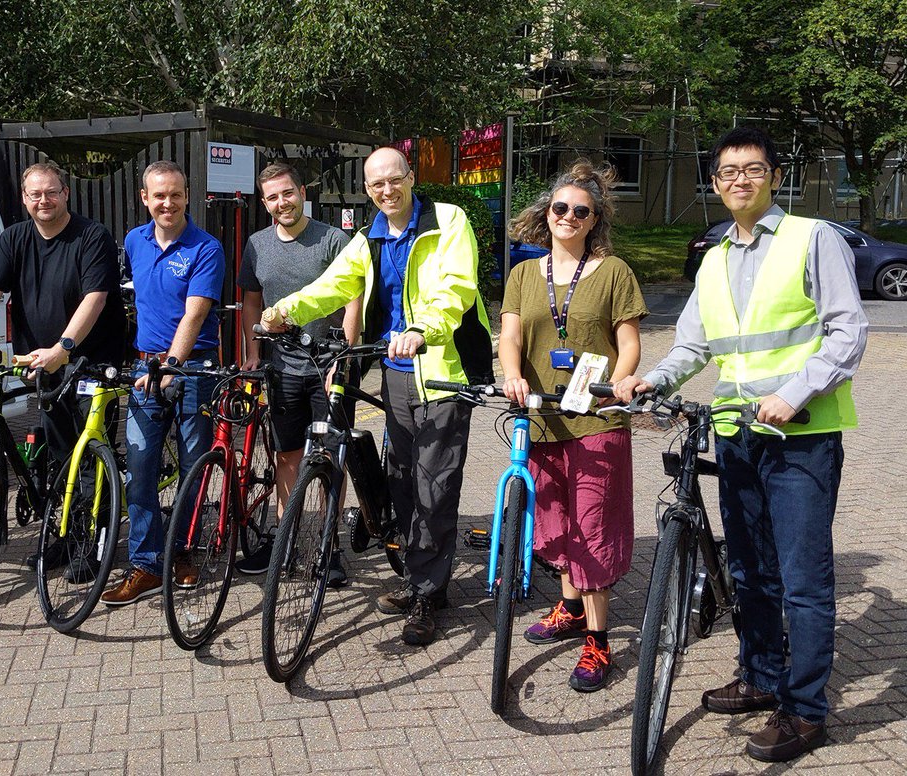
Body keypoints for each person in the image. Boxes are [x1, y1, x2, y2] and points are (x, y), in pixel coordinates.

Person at [615, 127, 867, 762]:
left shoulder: (814, 238)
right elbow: (695, 344)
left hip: (800, 435)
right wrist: (653, 380)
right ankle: (760, 674)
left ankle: (805, 709)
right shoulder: (715, 257)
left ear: (775, 177)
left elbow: (847, 331)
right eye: (728, 172)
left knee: (804, 578)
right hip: (735, 435)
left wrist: (795, 392)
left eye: (753, 169)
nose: (740, 181)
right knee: (750, 570)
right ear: (715, 183)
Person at [263, 147, 495, 646]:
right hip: (394, 373)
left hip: (444, 372)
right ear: (368, 190)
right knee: (403, 482)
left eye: (394, 180)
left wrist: (422, 328)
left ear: (410, 178)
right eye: (376, 185)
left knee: (434, 487)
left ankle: (428, 594)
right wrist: (285, 310)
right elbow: (332, 285)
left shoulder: (448, 221)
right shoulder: (368, 238)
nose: (387, 191)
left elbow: (456, 288)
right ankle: (417, 578)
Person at [499, 161, 647, 692]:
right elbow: (511, 337)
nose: (568, 216)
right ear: (547, 214)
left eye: (580, 211)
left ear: (594, 220)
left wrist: (620, 383)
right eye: (560, 207)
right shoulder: (524, 274)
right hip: (542, 418)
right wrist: (512, 376)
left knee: (592, 528)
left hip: (595, 421)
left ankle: (598, 641)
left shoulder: (613, 272)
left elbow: (628, 343)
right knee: (557, 521)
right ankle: (570, 607)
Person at [0, 161, 127, 570]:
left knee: (89, 452)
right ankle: (64, 534)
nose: (44, 200)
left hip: (92, 362)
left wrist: (64, 347)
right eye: (35, 194)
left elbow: (95, 298)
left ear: (65, 193)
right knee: (58, 452)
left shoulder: (91, 236)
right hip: (42, 364)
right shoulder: (15, 239)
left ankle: (92, 543)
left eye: (51, 192)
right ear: (25, 199)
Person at [100, 160, 226, 606]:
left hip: (194, 369)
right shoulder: (135, 241)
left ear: (187, 195)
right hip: (145, 368)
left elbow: (195, 313)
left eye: (175, 194)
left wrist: (173, 364)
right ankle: (147, 564)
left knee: (193, 466)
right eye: (159, 195)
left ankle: (183, 551)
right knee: (140, 467)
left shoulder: (206, 247)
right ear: (145, 198)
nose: (167, 203)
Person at [236, 162, 361, 584]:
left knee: (331, 456)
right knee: (286, 454)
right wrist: (253, 353)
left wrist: (343, 357)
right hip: (283, 366)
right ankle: (285, 540)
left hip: (328, 367)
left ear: (302, 192)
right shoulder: (257, 244)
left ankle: (329, 545)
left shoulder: (332, 239)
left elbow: (353, 300)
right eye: (272, 197)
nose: (281, 203)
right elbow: (252, 302)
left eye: (287, 193)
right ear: (264, 202)